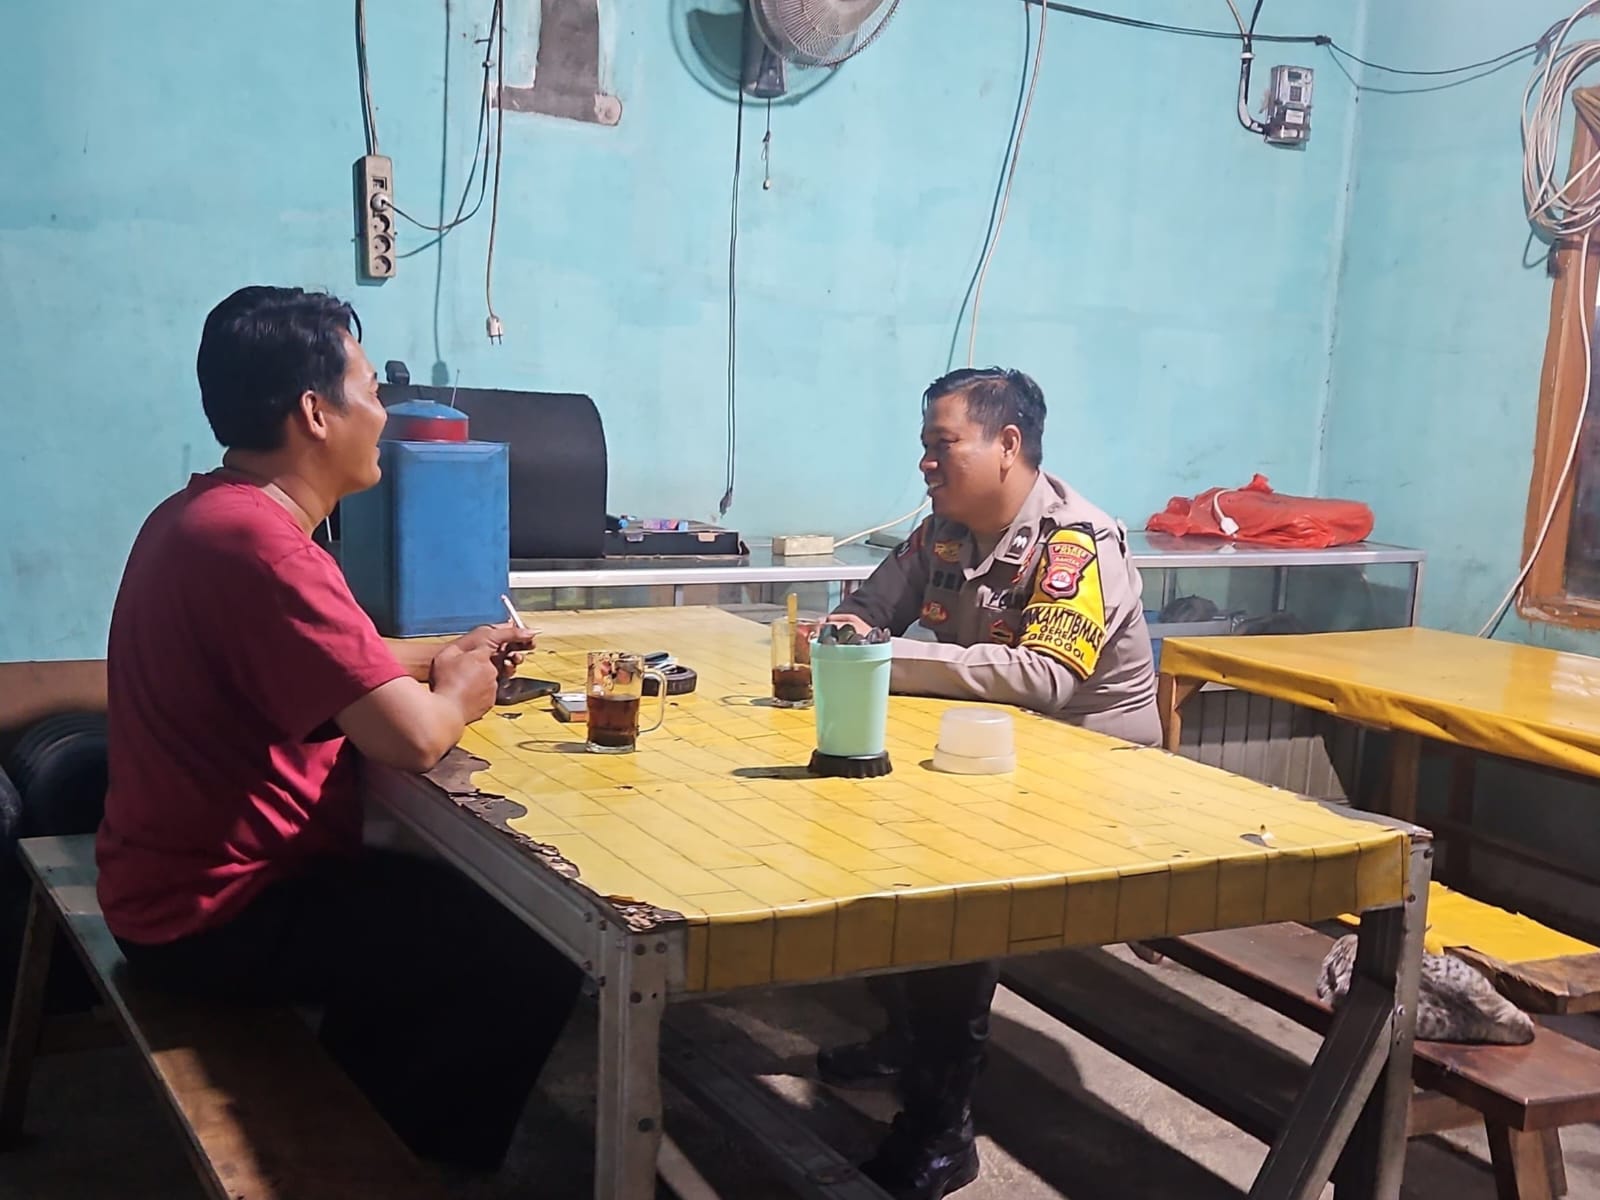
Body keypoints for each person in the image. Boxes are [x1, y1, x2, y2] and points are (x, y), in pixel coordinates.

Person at [97, 285, 582, 1171]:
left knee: (429, 922)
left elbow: (343, 656)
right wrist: (462, 689)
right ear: (316, 414)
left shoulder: (206, 517)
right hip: (214, 913)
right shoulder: (267, 548)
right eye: (370, 390)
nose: (382, 415)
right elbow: (414, 740)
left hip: (162, 888)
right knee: (532, 944)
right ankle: (414, 1171)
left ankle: (373, 1121)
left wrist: (447, 648)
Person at [821, 367, 1160, 1200]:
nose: (927, 463)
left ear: (1008, 445)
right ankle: (906, 1038)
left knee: (951, 889)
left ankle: (941, 1129)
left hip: (1093, 780)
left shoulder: (1076, 542)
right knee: (856, 826)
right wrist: (850, 629)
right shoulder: (943, 531)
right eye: (925, 446)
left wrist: (880, 657)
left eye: (944, 445)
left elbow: (1044, 678)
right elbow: (868, 608)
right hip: (991, 763)